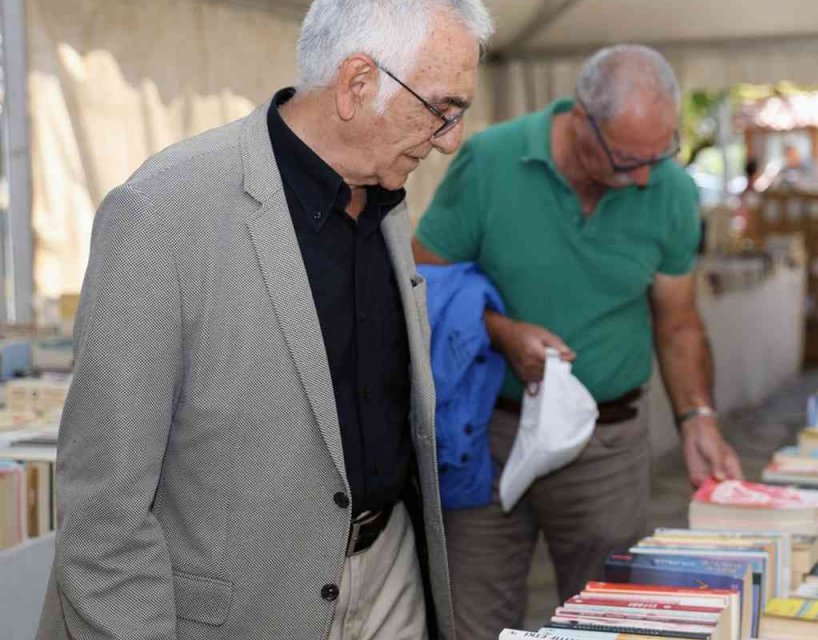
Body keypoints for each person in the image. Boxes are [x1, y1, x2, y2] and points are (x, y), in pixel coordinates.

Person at [38, 1, 492, 639]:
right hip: (245, 610)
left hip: (392, 573)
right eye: (442, 109)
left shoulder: (386, 195)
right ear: (358, 83)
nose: (451, 139)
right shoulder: (163, 213)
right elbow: (104, 507)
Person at [412, 44, 744, 639]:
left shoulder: (669, 189)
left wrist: (698, 415)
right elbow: (424, 281)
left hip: (606, 444)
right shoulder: (489, 160)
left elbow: (679, 321)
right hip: (488, 434)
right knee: (471, 619)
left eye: (657, 156)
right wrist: (502, 332)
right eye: (625, 160)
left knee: (612, 620)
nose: (643, 177)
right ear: (581, 119)